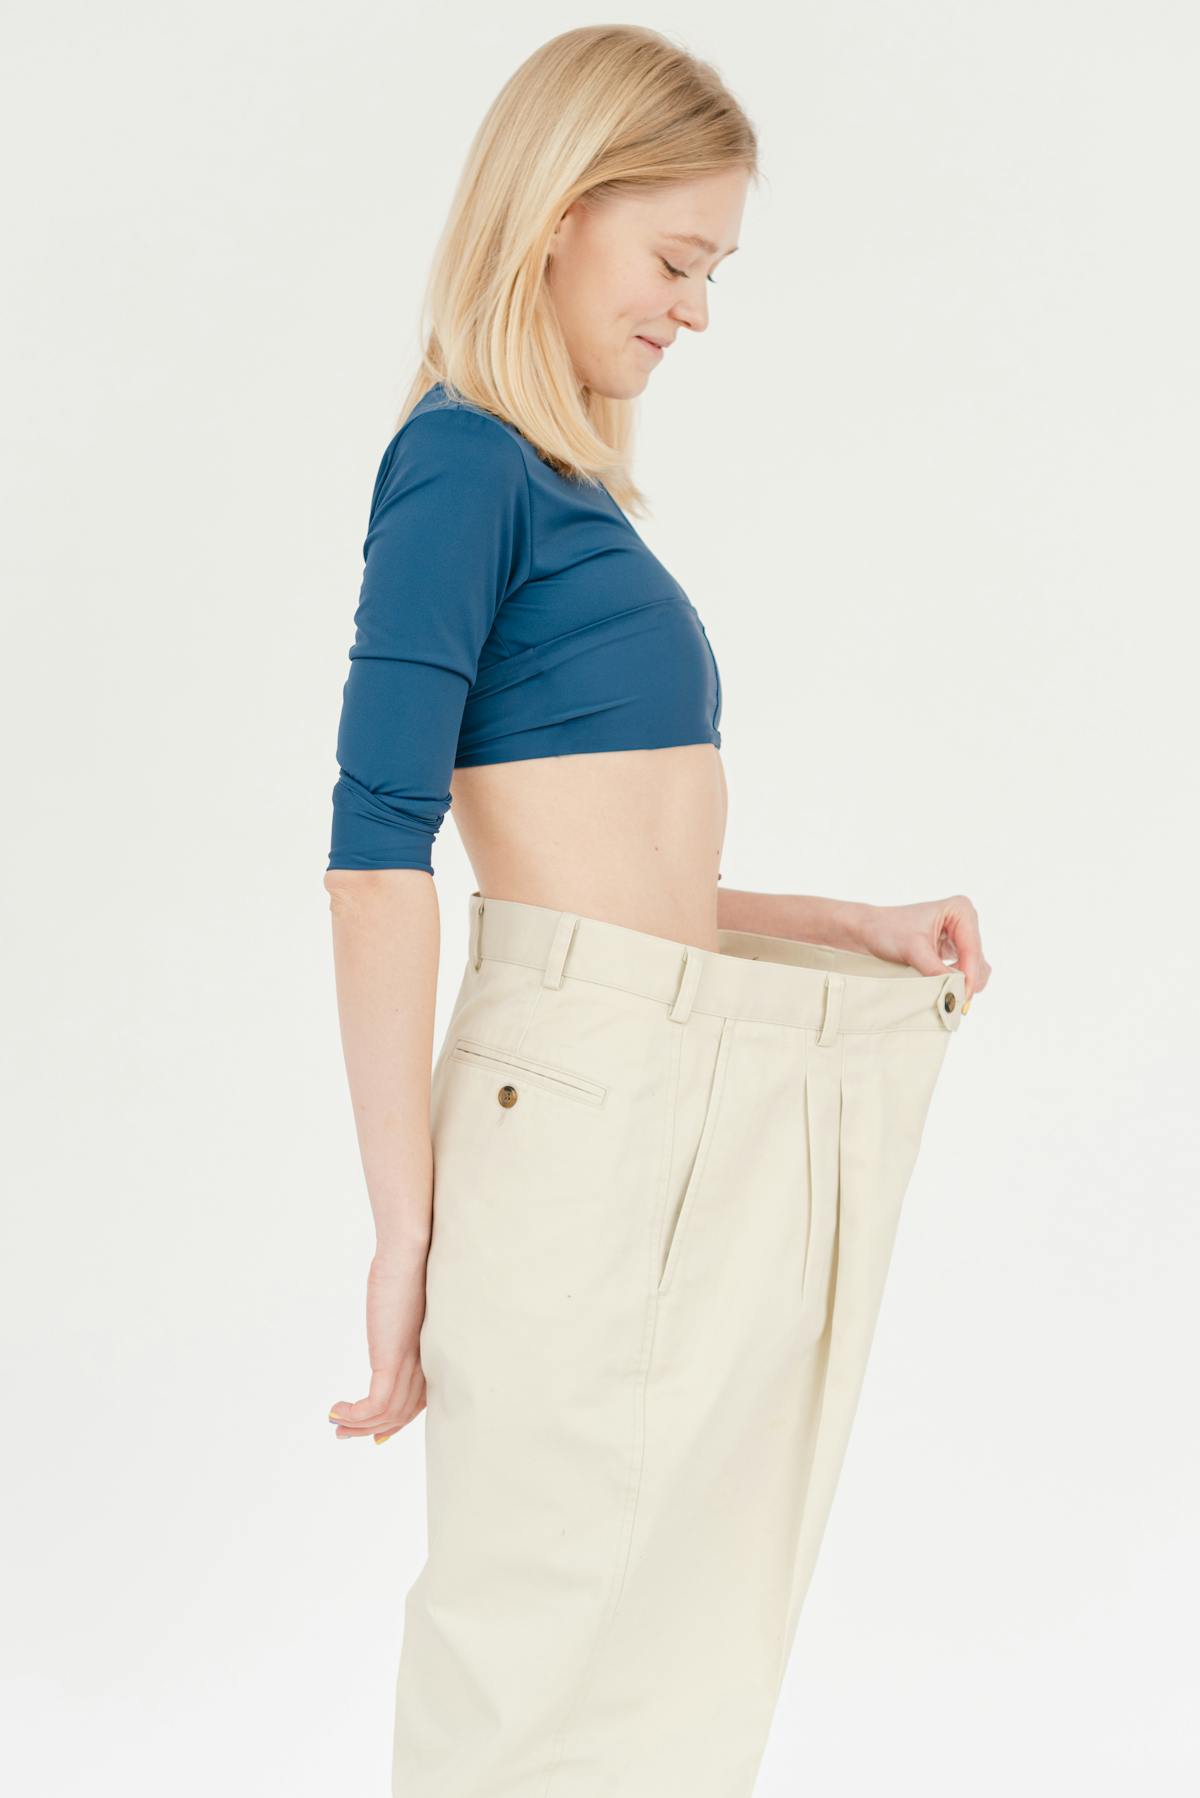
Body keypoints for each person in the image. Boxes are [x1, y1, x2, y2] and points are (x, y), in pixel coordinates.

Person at [322, 24, 991, 1798]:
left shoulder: (564, 488)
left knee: (655, 1651)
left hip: (650, 1057)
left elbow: (615, 868)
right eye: (675, 259)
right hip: (589, 1085)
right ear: (555, 211)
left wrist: (847, 922)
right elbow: (378, 846)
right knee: (542, 1634)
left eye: (714, 269)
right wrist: (405, 1231)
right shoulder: (462, 462)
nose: (694, 310)